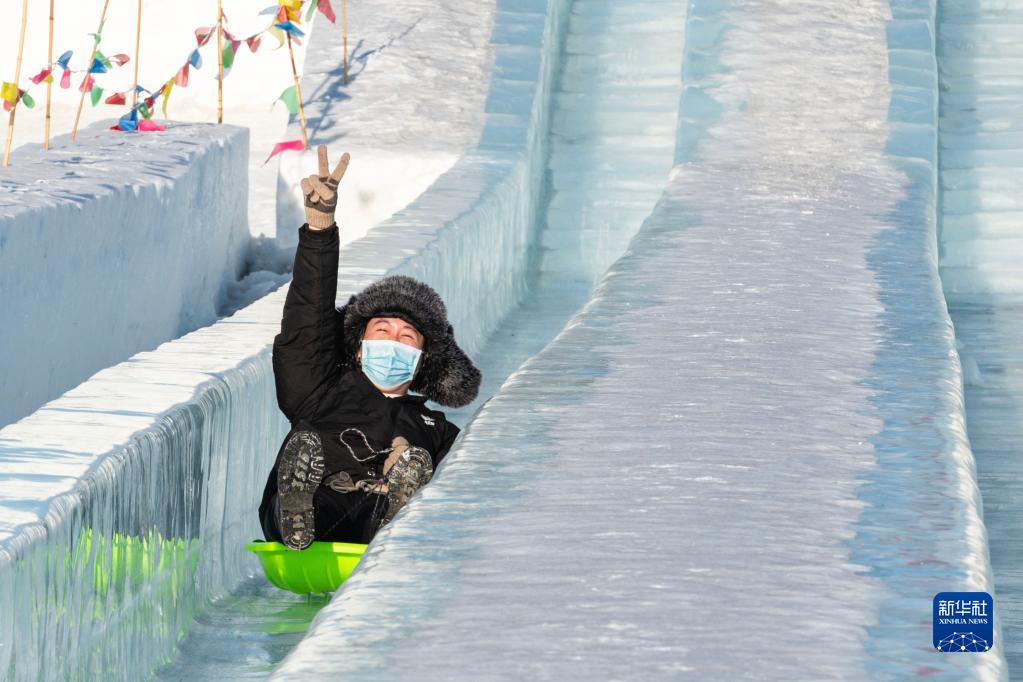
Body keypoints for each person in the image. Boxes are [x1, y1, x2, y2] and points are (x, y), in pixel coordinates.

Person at [259, 146, 481, 550]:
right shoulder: (318, 390)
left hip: (374, 522)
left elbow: (470, 490)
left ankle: (398, 510)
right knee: (315, 487)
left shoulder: (437, 430)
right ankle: (296, 507)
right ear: (359, 347)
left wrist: (413, 466)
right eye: (382, 329)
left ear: (422, 360)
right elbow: (307, 320)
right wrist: (319, 231)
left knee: (410, 475)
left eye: (407, 336)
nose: (393, 341)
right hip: (317, 511)